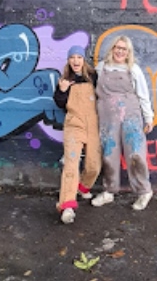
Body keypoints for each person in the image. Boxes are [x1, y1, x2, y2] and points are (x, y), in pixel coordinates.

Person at [92, 35, 154, 211]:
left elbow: (143, 95)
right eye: (117, 47)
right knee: (109, 155)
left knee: (136, 154)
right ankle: (109, 191)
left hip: (130, 117)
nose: (120, 51)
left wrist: (149, 117)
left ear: (128, 53)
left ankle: (144, 191)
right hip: (107, 118)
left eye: (124, 49)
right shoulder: (101, 68)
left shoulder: (134, 70)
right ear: (112, 49)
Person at [53, 45, 102, 224]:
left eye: (78, 57)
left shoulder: (94, 77)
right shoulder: (65, 80)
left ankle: (83, 187)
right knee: (71, 164)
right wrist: (62, 91)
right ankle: (66, 205)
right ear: (68, 60)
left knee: (94, 166)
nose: (75, 61)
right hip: (74, 125)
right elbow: (59, 103)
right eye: (72, 57)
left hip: (94, 125)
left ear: (83, 60)